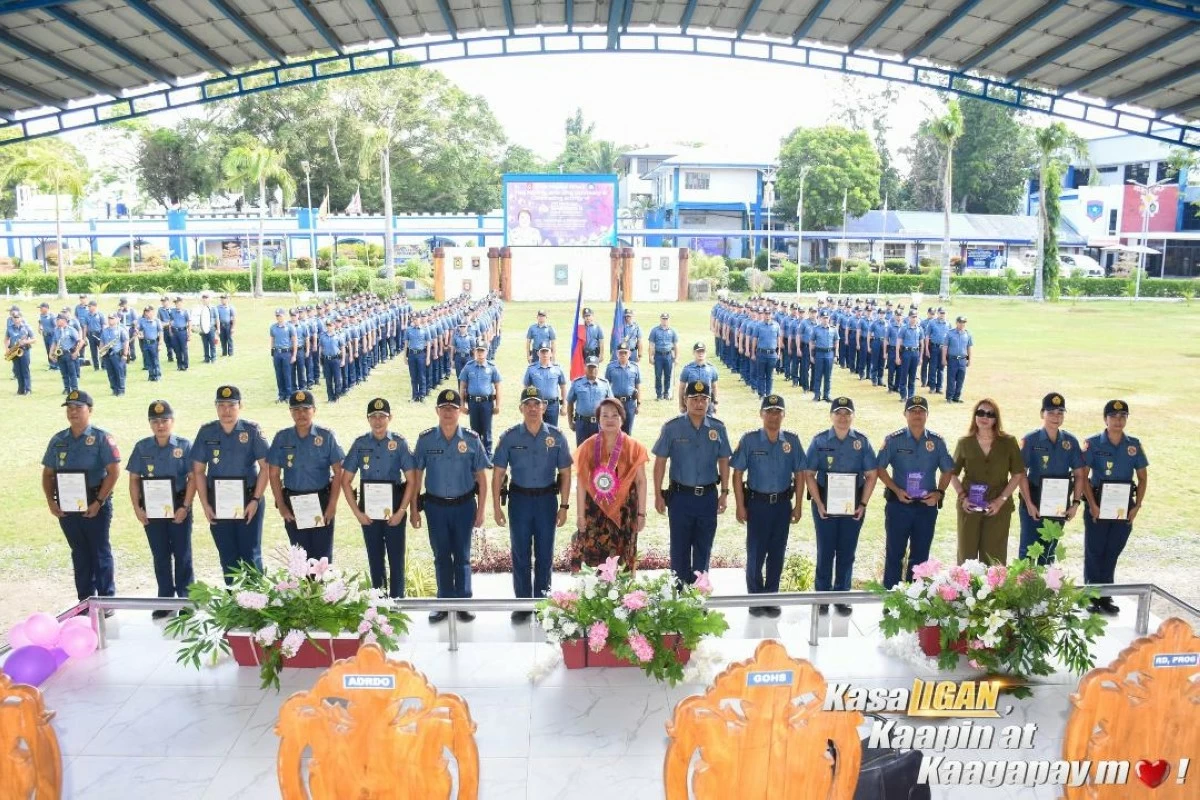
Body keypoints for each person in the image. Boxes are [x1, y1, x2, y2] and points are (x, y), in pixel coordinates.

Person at [492, 387, 573, 620]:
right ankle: (523, 603)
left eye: (537, 404)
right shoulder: (509, 437)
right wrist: (497, 507)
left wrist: (564, 506)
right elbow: (498, 473)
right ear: (521, 408)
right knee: (520, 553)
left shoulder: (556, 436)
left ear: (544, 407)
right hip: (520, 501)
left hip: (547, 500)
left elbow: (566, 472)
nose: (532, 408)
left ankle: (542, 603)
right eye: (527, 404)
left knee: (545, 553)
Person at [413, 389, 490, 622]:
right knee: (441, 555)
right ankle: (444, 602)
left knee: (463, 555)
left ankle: (464, 601)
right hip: (435, 507)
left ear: (460, 411)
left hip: (464, 506)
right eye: (444, 408)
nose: (448, 412)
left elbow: (482, 477)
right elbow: (416, 475)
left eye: (453, 408)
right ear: (437, 411)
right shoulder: (425, 440)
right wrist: (413, 509)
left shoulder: (471, 439)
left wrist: (481, 509)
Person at [41, 390, 120, 607]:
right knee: (79, 552)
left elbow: (113, 472)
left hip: (95, 503)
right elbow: (48, 474)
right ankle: (85, 600)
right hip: (67, 506)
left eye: (78, 407)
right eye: (69, 408)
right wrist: (51, 500)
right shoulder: (58, 440)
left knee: (99, 551)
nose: (73, 412)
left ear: (90, 410)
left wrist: (99, 502)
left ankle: (106, 601)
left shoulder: (102, 438)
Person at [731, 394, 805, 617]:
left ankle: (771, 597)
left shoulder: (792, 441)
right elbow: (737, 473)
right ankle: (755, 598)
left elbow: (800, 474)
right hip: (757, 504)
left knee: (777, 552)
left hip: (782, 504)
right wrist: (740, 505)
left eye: (778, 412)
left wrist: (798, 504)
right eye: (769, 411)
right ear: (761, 414)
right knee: (755, 552)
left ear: (784, 415)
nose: (773, 416)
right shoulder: (750, 440)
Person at [653, 380, 732, 585]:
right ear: (685, 401)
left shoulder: (717, 428)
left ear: (709, 402)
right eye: (694, 399)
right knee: (679, 549)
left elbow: (724, 460)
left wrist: (724, 492)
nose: (699, 403)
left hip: (707, 497)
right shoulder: (672, 428)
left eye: (703, 399)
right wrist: (657, 494)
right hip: (680, 497)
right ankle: (678, 600)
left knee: (703, 548)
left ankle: (698, 598)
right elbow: (660, 461)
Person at [805, 397, 878, 614]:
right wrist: (818, 503)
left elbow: (872, 475)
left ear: (853, 416)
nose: (843, 417)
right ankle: (822, 598)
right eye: (839, 413)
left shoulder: (862, 442)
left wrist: (863, 503)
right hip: (825, 501)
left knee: (847, 551)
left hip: (852, 503)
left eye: (847, 413)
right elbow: (809, 474)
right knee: (825, 551)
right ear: (831, 416)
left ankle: (842, 596)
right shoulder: (819, 441)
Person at [876, 396, 959, 588]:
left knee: (920, 559)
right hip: (899, 506)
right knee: (894, 554)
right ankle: (891, 602)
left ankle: (915, 604)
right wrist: (896, 490)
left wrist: (939, 493)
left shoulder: (937, 442)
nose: (917, 414)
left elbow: (948, 469)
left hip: (925, 508)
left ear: (927, 415)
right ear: (905, 414)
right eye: (913, 410)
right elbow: (879, 468)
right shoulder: (893, 440)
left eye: (921, 411)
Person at [191, 385, 270, 582]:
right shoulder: (206, 432)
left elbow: (266, 467)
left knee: (251, 555)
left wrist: (255, 500)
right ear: (216, 407)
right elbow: (199, 470)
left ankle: (256, 605)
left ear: (240, 406)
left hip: (249, 501)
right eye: (221, 405)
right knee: (227, 556)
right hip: (218, 504)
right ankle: (235, 605)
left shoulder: (252, 431)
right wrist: (205, 504)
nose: (226, 410)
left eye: (231, 405)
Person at [341, 397, 417, 599]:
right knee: (375, 559)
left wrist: (401, 511)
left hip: (395, 508)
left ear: (389, 418)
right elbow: (345, 480)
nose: (377, 421)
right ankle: (379, 605)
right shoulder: (360, 444)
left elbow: (412, 480)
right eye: (373, 416)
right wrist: (357, 513)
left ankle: (397, 603)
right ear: (368, 419)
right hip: (369, 511)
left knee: (396, 559)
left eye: (382, 416)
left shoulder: (399, 443)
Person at [1080, 400, 1149, 616]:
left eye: (1122, 417)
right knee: (1095, 551)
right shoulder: (1093, 443)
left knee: (1112, 551)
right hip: (1099, 506)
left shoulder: (1134, 445)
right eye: (1113, 416)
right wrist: (1092, 505)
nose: (1118, 421)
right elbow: (1083, 476)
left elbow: (1143, 477)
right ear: (1105, 419)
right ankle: (1092, 596)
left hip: (1123, 507)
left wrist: (1137, 506)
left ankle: (1106, 595)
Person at [127, 401, 194, 618]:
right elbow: (134, 479)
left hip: (178, 508)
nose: (160, 425)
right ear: (150, 424)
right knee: (160, 555)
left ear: (172, 421)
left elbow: (193, 478)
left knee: (182, 553)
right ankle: (164, 598)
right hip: (153, 510)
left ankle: (186, 599)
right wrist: (137, 508)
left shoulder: (184, 446)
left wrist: (185, 506)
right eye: (155, 421)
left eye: (165, 420)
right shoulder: (142, 447)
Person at [570, 397, 648, 571]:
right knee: (594, 566)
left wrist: (641, 514)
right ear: (598, 419)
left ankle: (622, 598)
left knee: (622, 565)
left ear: (622, 418)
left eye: (615, 415)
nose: (610, 419)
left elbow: (641, 482)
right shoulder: (588, 446)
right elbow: (581, 483)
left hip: (624, 514)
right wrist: (580, 515)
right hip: (594, 513)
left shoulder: (634, 447)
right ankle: (596, 598)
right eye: (605, 415)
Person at [268, 390, 345, 562]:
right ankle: (303, 590)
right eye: (296, 410)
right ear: (290, 412)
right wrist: (281, 505)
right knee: (300, 557)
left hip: (321, 501)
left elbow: (339, 471)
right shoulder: (282, 437)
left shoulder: (326, 436)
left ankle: (323, 589)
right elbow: (273, 473)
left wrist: (332, 504)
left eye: (305, 409)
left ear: (314, 410)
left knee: (322, 558)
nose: (301, 414)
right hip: (293, 502)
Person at [951, 398, 1024, 566]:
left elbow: (1018, 474)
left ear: (996, 419)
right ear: (974, 415)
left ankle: (994, 592)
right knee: (966, 557)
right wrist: (963, 497)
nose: (985, 417)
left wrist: (1001, 500)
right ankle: (964, 592)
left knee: (994, 557)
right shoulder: (964, 443)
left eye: (990, 414)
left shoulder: (1008, 442)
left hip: (998, 505)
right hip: (969, 505)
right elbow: (952, 473)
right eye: (980, 412)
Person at [1017, 392, 1086, 564]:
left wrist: (1076, 503)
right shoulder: (1030, 440)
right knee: (1028, 551)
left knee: (1049, 551)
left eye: (1060, 413)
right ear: (1042, 414)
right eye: (1051, 412)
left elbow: (1079, 475)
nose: (1056, 417)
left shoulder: (1070, 441)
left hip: (1058, 505)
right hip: (1034, 502)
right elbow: (1020, 474)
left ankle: (1044, 591)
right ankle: (1025, 590)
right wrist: (1029, 503)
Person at [458, 340, 502, 457]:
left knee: (487, 430)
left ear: (487, 352)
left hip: (487, 403)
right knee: (474, 430)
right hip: (473, 403)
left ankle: (487, 455)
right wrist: (462, 404)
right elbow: (462, 386)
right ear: (474, 352)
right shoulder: (469, 367)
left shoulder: (492, 368)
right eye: (478, 351)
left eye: (482, 351)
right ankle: (475, 455)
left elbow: (498, 387)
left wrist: (498, 405)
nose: (480, 353)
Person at [566, 355, 613, 446]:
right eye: (589, 367)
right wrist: (570, 422)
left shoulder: (604, 384)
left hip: (599, 424)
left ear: (598, 368)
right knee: (582, 452)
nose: (592, 370)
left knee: (599, 453)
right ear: (585, 367)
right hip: (582, 423)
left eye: (594, 367)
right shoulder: (577, 383)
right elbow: (570, 402)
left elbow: (611, 405)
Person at [522, 345, 567, 426]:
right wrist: (525, 404)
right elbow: (526, 388)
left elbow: (563, 387)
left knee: (552, 432)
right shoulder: (531, 369)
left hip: (552, 406)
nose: (545, 354)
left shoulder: (557, 369)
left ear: (551, 354)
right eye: (542, 352)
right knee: (535, 429)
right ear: (538, 353)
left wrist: (564, 404)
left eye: (547, 352)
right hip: (536, 405)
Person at [605, 341, 641, 434]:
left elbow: (638, 386)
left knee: (628, 431)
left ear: (629, 354)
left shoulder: (635, 367)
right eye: (621, 353)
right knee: (615, 430)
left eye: (625, 352)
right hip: (615, 402)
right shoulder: (610, 367)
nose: (623, 355)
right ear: (617, 354)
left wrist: (638, 404)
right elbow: (606, 386)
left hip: (630, 403)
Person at [677, 342, 719, 417]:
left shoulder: (711, 369)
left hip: (707, 403)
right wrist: (681, 405)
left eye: (702, 351)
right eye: (698, 351)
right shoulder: (687, 369)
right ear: (694, 353)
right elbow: (682, 388)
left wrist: (715, 404)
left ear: (705, 353)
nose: (700, 354)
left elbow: (714, 387)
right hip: (692, 402)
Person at [749, 306, 781, 398]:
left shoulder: (776, 325)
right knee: (761, 375)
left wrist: (778, 352)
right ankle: (761, 393)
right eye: (766, 314)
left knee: (770, 376)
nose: (767, 316)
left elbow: (778, 339)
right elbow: (754, 339)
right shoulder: (758, 325)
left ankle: (769, 393)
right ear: (763, 314)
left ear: (771, 315)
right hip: (761, 353)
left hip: (772, 354)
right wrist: (753, 353)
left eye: (769, 314)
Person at [269, 308, 298, 402]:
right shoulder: (273, 327)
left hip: (286, 353)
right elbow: (272, 340)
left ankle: (289, 395)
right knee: (279, 374)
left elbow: (294, 341)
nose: (278, 317)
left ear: (284, 316)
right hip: (277, 352)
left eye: (280, 316)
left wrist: (294, 355)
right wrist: (272, 354)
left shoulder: (290, 327)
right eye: (277, 316)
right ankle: (281, 395)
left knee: (287, 374)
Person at [647, 313, 678, 400]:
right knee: (658, 375)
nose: (665, 320)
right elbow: (651, 344)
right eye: (663, 319)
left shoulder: (672, 331)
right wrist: (650, 356)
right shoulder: (655, 330)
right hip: (658, 356)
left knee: (668, 375)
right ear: (660, 319)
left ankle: (666, 394)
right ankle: (659, 395)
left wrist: (676, 357)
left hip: (668, 356)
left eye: (666, 319)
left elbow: (675, 345)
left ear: (668, 320)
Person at [895, 310, 924, 402]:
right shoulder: (904, 328)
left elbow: (922, 344)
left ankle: (911, 396)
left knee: (912, 375)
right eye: (912, 317)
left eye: (915, 317)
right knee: (904, 375)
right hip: (906, 353)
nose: (914, 318)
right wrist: (897, 356)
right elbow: (898, 343)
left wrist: (921, 357)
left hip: (915, 353)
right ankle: (903, 396)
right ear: (908, 317)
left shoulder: (920, 329)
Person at [98, 313, 129, 396]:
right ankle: (114, 389)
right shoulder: (105, 330)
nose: (110, 320)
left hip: (117, 354)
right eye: (109, 318)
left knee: (119, 372)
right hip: (107, 355)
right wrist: (101, 352)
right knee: (110, 373)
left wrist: (125, 354)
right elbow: (102, 342)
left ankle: (121, 390)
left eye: (112, 318)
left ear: (117, 319)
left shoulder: (121, 330)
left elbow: (125, 342)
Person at [52, 313, 83, 393]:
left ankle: (74, 389)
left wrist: (76, 352)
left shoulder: (71, 330)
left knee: (72, 373)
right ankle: (66, 388)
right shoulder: (56, 330)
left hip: (69, 354)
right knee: (64, 373)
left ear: (64, 321)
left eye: (58, 320)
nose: (57, 321)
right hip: (60, 354)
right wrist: (51, 353)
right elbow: (54, 342)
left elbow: (81, 341)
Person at [944, 315, 972, 403]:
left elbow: (969, 348)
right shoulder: (950, 333)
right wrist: (944, 359)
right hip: (952, 359)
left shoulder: (967, 334)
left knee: (960, 379)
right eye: (960, 322)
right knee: (951, 379)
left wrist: (969, 359)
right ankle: (949, 397)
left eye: (964, 323)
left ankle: (956, 397)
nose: (962, 324)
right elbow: (945, 347)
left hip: (962, 360)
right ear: (956, 323)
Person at [6, 308, 35, 395]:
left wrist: (25, 341)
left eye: (17, 317)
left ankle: (28, 389)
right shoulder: (10, 328)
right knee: (18, 371)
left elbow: (34, 339)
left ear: (21, 318)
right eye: (14, 317)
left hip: (24, 350)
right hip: (14, 351)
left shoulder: (27, 327)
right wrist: (7, 349)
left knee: (25, 370)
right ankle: (20, 390)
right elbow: (6, 339)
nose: (15, 319)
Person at [810, 310, 837, 402]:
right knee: (818, 375)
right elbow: (812, 342)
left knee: (828, 376)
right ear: (820, 318)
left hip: (829, 353)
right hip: (819, 353)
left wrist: (836, 355)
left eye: (827, 318)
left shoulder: (833, 329)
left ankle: (827, 395)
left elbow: (836, 341)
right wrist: (811, 355)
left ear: (829, 318)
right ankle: (817, 395)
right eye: (823, 318)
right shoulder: (816, 329)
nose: (825, 320)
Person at [136, 305, 164, 382]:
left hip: (154, 343)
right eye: (146, 312)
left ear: (152, 312)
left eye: (149, 312)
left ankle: (157, 375)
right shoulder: (142, 321)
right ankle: (151, 375)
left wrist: (160, 344)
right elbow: (138, 328)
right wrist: (138, 332)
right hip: (145, 343)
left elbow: (161, 332)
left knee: (155, 360)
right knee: (148, 360)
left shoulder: (157, 321)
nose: (148, 313)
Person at [196, 292, 219, 364]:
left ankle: (213, 358)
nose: (204, 300)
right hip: (203, 329)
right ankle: (206, 358)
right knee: (205, 344)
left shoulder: (213, 308)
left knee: (212, 344)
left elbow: (217, 319)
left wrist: (218, 329)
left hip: (211, 329)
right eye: (203, 299)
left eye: (206, 299)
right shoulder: (200, 308)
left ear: (209, 299)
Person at [169, 296, 191, 370]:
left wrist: (189, 333)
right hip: (175, 332)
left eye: (178, 303)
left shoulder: (185, 312)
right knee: (177, 349)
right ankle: (179, 365)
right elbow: (170, 322)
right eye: (176, 303)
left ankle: (185, 365)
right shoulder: (172, 311)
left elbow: (189, 322)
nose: (177, 304)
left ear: (181, 303)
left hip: (183, 332)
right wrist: (170, 331)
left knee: (184, 349)